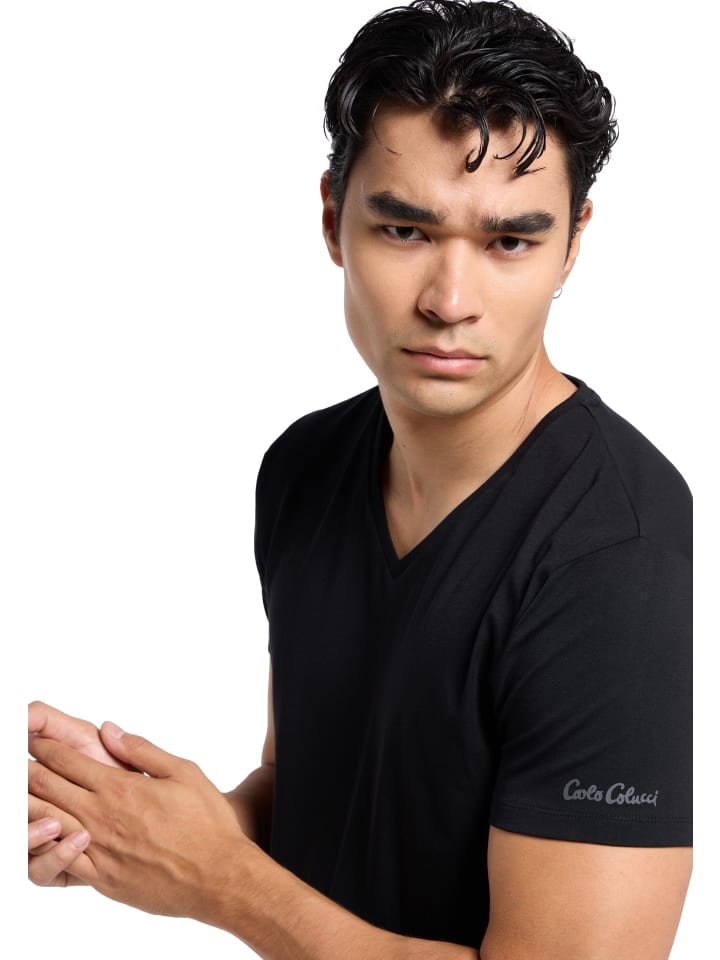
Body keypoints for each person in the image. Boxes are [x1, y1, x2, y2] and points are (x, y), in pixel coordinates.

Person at [27, 1, 692, 957]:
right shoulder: (304, 468)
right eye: (407, 230)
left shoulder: (616, 553)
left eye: (509, 241)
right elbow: (314, 794)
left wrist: (216, 880)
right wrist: (125, 824)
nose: (450, 301)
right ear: (334, 219)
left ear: (572, 243)